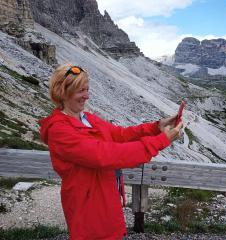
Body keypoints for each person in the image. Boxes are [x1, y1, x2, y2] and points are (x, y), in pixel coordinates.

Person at [39, 63, 183, 240]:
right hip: (88, 205)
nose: (87, 96)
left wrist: (155, 128)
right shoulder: (59, 130)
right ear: (63, 92)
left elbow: (120, 135)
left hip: (105, 195)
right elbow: (103, 155)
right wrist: (161, 141)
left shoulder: (87, 118)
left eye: (87, 89)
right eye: (81, 91)